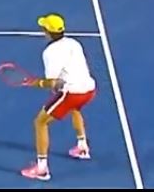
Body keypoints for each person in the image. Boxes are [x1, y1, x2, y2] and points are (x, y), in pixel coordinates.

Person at [20, 14, 97, 182]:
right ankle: (82, 147)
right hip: (90, 89)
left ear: (47, 32)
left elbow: (53, 82)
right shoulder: (74, 43)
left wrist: (35, 83)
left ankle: (41, 169)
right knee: (74, 108)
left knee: (40, 122)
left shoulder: (50, 52)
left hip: (72, 93)